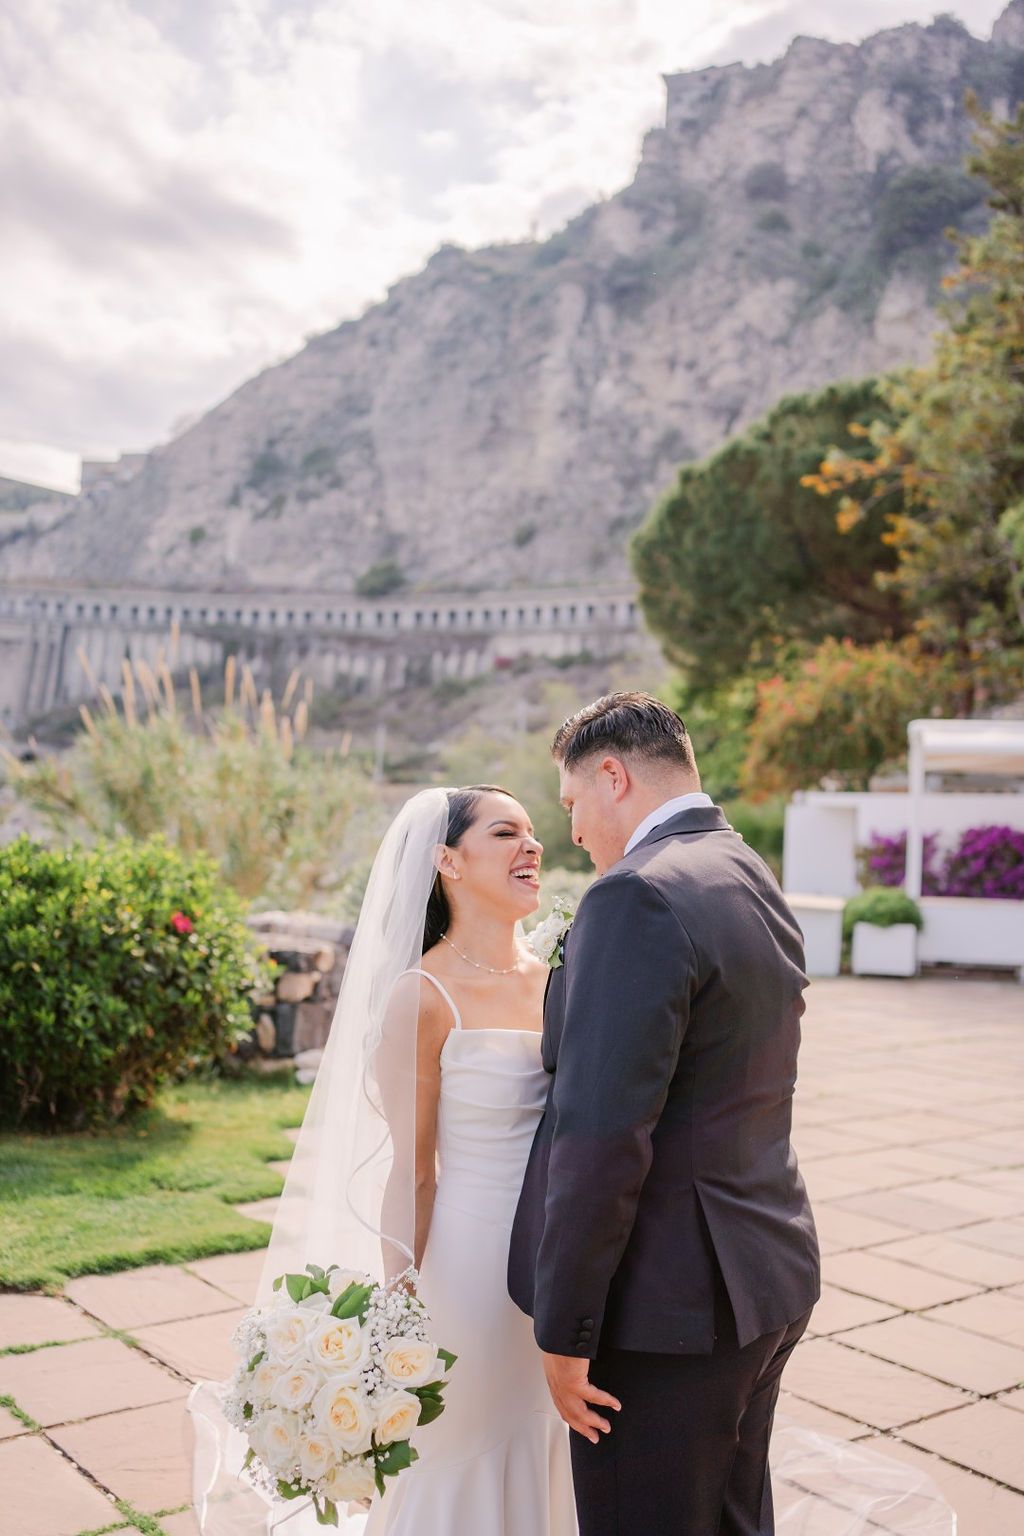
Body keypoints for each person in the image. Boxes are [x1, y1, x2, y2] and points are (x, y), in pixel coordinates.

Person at [508, 692, 819, 1536]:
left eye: (572, 805)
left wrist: (567, 1327)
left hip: (663, 1311)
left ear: (613, 776)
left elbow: (602, 1135)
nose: (570, 832)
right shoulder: (745, 870)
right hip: (765, 1274)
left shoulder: (634, 896)